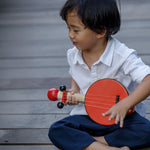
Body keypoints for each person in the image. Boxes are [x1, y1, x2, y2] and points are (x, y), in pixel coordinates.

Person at [48, 0, 150, 149]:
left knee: (146, 131)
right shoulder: (73, 55)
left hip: (121, 119)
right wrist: (74, 90)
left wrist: (125, 104)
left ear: (100, 31)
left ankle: (91, 142)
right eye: (68, 28)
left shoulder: (122, 55)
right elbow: (76, 74)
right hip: (88, 116)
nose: (70, 35)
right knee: (57, 129)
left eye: (76, 30)